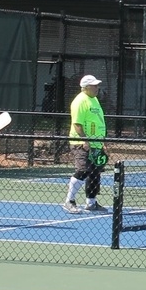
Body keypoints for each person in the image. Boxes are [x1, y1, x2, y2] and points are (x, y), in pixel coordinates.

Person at [63, 75, 108, 213]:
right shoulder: (80, 101)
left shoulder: (94, 100)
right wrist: (85, 140)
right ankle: (69, 201)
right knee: (83, 170)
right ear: (86, 87)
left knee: (95, 172)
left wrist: (101, 143)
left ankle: (91, 202)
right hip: (81, 143)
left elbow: (98, 122)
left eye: (97, 85)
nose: (97, 88)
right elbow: (77, 124)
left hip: (96, 143)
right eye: (94, 86)